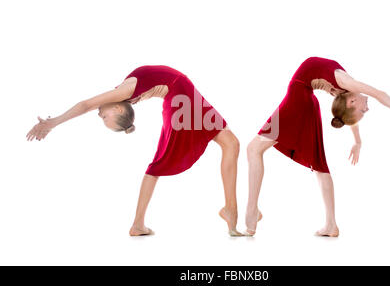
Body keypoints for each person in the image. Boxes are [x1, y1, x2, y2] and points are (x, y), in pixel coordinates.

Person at [26, 65, 243, 236]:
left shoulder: (123, 92)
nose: (99, 115)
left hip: (181, 90)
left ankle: (228, 210)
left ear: (118, 107)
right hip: (180, 94)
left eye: (103, 117)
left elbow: (85, 105)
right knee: (163, 162)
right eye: (103, 118)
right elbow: (88, 106)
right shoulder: (125, 94)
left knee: (230, 144)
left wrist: (52, 123)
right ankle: (139, 223)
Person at [245, 57, 390, 237]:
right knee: (318, 165)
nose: (366, 110)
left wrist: (358, 141)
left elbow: (352, 116)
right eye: (363, 111)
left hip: (300, 95)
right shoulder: (347, 84)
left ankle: (251, 214)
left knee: (254, 149)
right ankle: (330, 224)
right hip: (304, 97)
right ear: (351, 102)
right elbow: (379, 94)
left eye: (362, 112)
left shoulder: (345, 90)